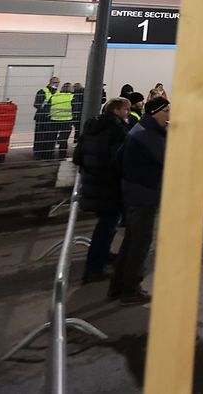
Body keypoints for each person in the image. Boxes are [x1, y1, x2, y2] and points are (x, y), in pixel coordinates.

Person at [110, 96, 169, 304]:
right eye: (167, 111)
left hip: (134, 191)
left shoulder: (141, 130)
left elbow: (118, 158)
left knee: (131, 240)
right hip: (144, 194)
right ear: (156, 112)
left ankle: (118, 285)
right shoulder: (148, 135)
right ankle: (130, 290)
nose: (169, 115)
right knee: (140, 243)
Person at [74, 96, 130, 284]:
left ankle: (103, 256)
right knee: (107, 225)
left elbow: (78, 156)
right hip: (109, 185)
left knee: (107, 223)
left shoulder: (91, 127)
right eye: (126, 110)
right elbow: (120, 159)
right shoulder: (117, 130)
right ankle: (94, 268)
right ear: (116, 111)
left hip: (93, 182)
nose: (127, 114)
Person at [32, 75, 60, 160]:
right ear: (51, 82)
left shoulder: (58, 93)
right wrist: (47, 110)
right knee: (41, 136)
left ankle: (48, 153)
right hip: (42, 117)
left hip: (53, 118)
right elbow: (37, 104)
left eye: (58, 83)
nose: (57, 84)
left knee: (51, 136)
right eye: (55, 82)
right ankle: (39, 153)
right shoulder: (43, 91)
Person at [49, 82, 76, 160]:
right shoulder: (72, 97)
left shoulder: (55, 96)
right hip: (66, 120)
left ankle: (50, 153)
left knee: (52, 137)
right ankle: (62, 155)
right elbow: (75, 108)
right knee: (63, 138)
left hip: (54, 119)